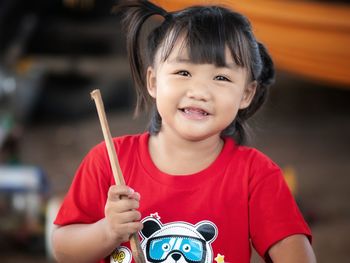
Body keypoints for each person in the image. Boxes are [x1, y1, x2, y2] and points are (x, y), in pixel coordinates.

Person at [52, 1, 316, 262]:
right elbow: (63, 250)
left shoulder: (256, 175)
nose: (199, 92)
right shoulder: (107, 161)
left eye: (221, 78)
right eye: (183, 72)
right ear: (153, 82)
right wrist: (107, 231)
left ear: (246, 94)